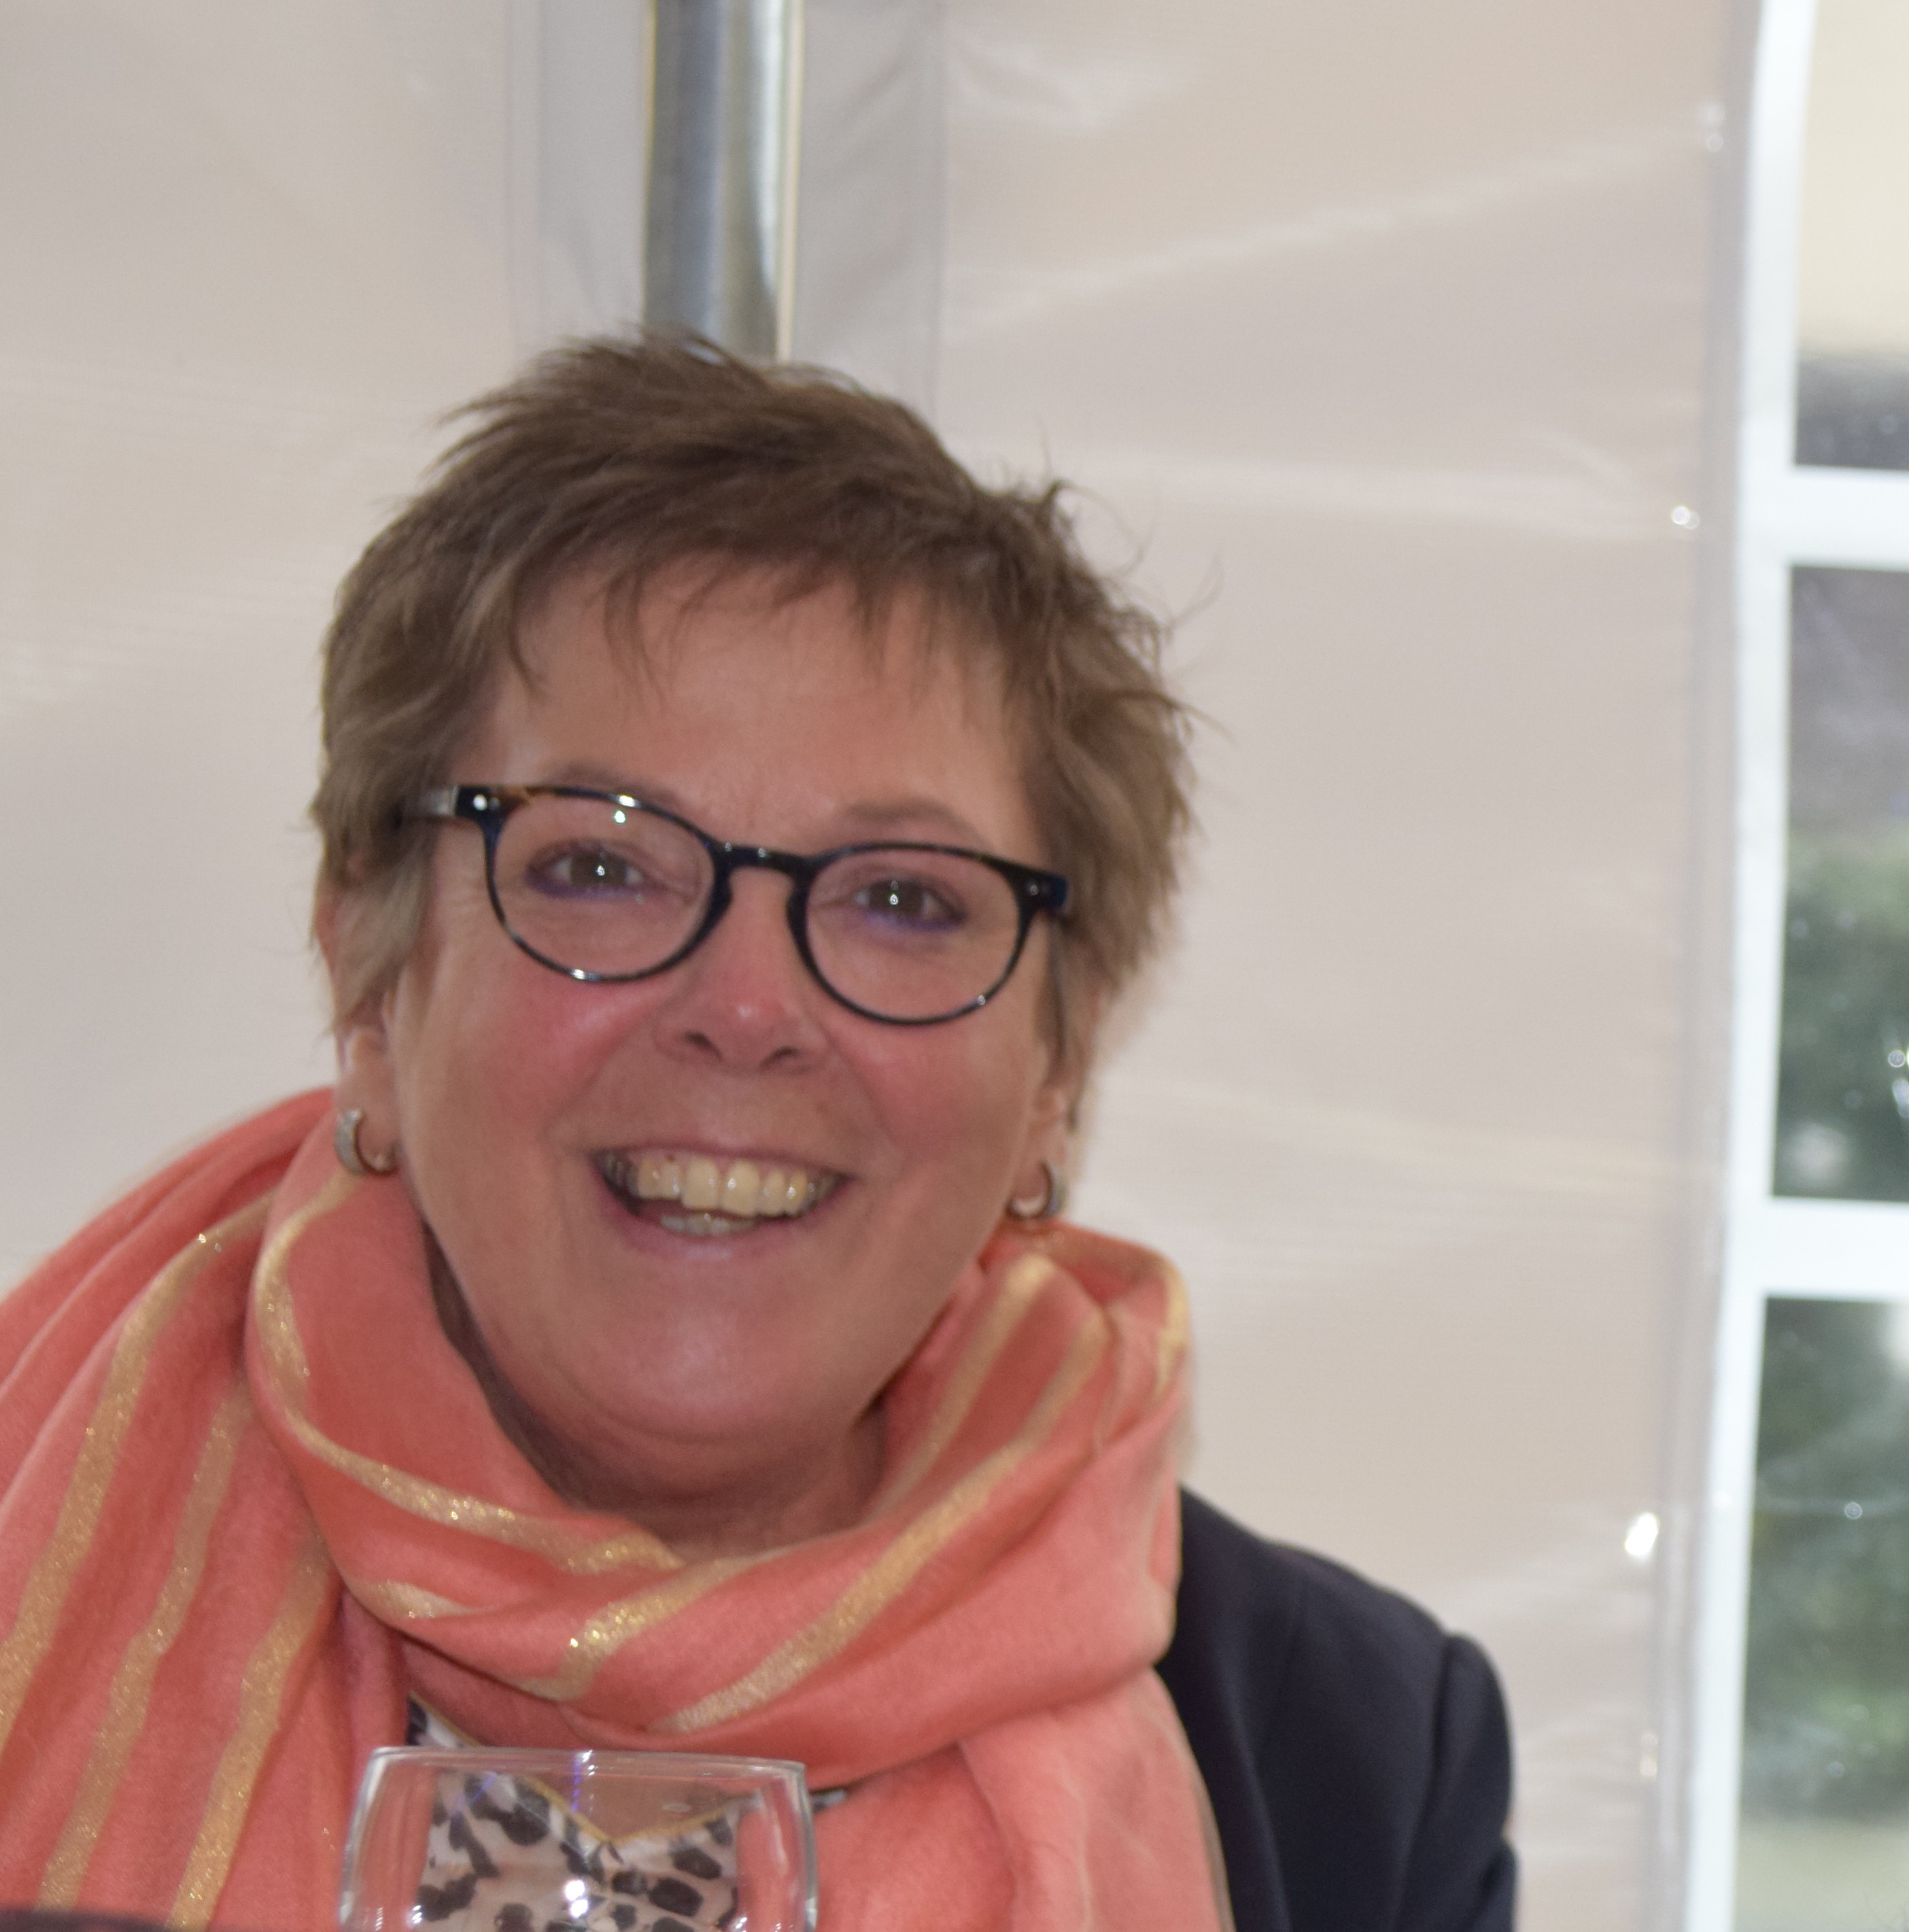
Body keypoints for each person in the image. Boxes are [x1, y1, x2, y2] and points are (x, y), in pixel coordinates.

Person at [0, 339, 1513, 1932]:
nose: (745, 1004)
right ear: (370, 979)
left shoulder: (1348, 1763)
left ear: (1054, 1075)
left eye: (901, 899)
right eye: (600, 866)